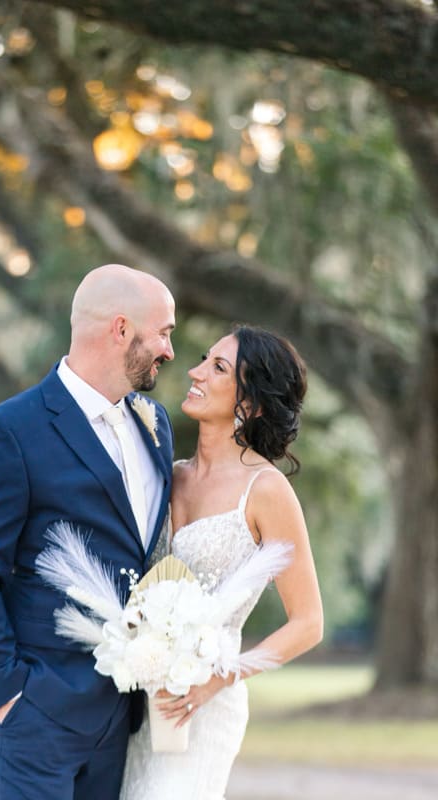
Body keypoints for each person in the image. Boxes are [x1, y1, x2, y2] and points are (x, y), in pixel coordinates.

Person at [0, 264, 177, 799]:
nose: (169, 349)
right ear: (121, 329)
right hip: (35, 714)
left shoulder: (155, 424)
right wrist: (7, 695)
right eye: (163, 332)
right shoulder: (6, 433)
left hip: (121, 716)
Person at [120, 326, 323, 798]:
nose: (194, 372)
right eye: (203, 358)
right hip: (140, 701)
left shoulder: (266, 490)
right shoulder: (165, 477)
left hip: (207, 705)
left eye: (217, 368)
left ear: (249, 404)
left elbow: (309, 623)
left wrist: (219, 678)